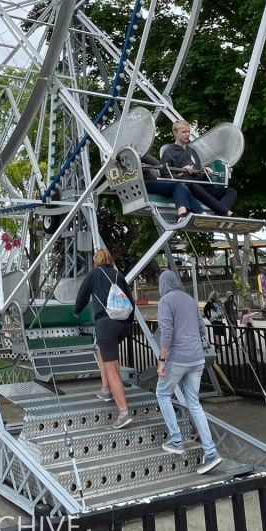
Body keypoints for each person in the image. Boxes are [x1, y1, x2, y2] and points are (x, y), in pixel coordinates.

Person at [155, 270, 222, 475]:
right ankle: (210, 452)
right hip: (197, 358)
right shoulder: (191, 300)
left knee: (163, 393)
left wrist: (162, 360)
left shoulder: (165, 301)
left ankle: (176, 440)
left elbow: (166, 332)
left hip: (177, 358)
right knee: (194, 403)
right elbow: (202, 329)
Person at [74, 248, 135, 429]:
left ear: (96, 261)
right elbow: (130, 302)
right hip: (122, 323)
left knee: (112, 368)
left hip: (106, 324)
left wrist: (77, 311)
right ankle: (106, 389)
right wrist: (127, 323)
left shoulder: (94, 275)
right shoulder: (118, 275)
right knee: (103, 352)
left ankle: (123, 412)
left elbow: (82, 296)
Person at [160, 120, 238, 217]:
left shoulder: (192, 151)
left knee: (231, 191)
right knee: (193, 185)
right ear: (175, 133)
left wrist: (205, 171)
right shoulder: (169, 152)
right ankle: (227, 213)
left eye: (189, 132)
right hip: (187, 185)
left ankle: (219, 215)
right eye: (184, 132)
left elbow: (198, 172)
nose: (187, 134)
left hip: (200, 184)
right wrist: (182, 173)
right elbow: (165, 176)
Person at [140, 153, 207, 223]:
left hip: (149, 182)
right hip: (145, 183)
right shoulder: (134, 153)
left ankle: (202, 215)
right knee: (178, 186)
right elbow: (155, 162)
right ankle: (182, 214)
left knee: (182, 187)